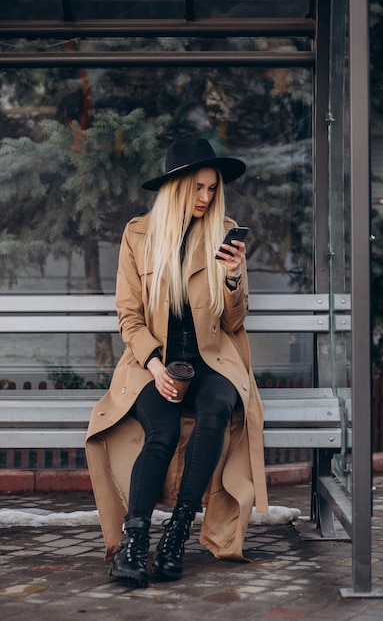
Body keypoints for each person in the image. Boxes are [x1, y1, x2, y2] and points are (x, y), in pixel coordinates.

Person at [85, 138, 268, 588]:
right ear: (176, 188)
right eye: (198, 188)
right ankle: (134, 541)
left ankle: (176, 536)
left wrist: (233, 277)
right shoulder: (139, 235)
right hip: (154, 362)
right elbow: (128, 317)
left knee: (216, 411)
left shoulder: (223, 232)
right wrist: (154, 366)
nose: (206, 198)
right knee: (162, 430)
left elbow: (233, 320)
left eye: (212, 189)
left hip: (212, 363)